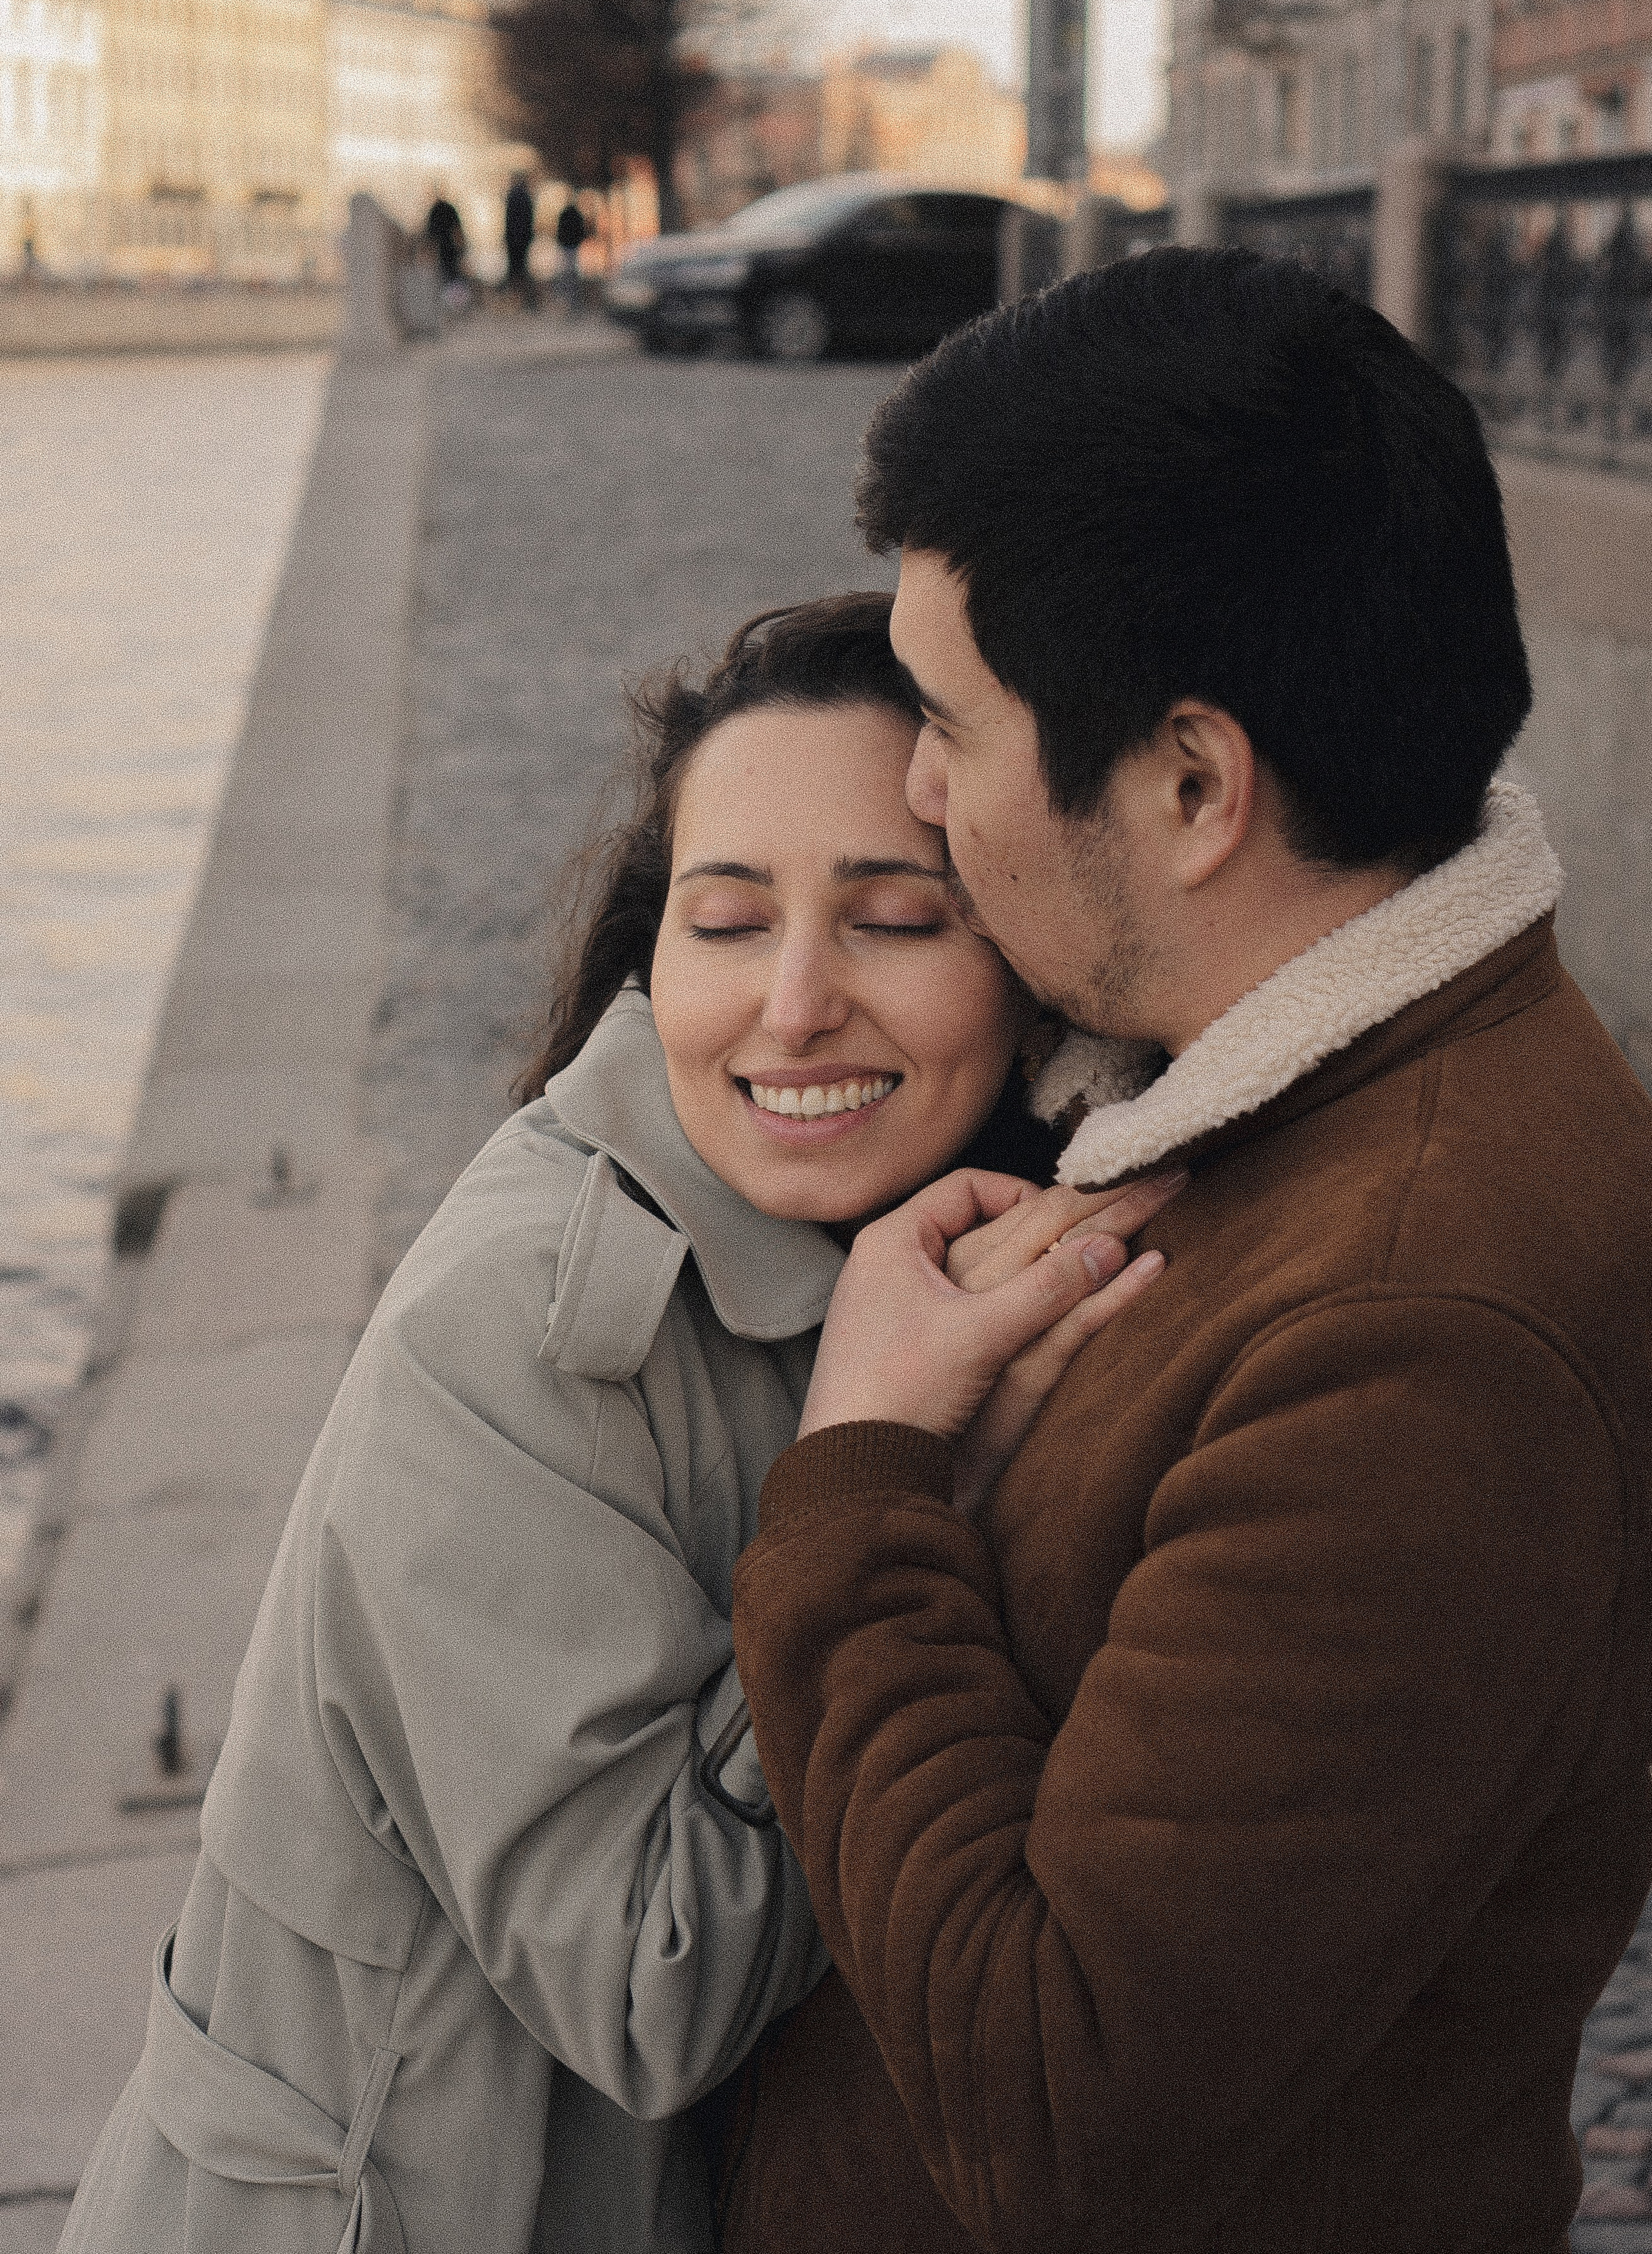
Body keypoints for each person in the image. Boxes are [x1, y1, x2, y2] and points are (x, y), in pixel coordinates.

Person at [725, 250, 1652, 2252]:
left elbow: (1059, 2113)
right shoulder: (1260, 1091)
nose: (912, 785)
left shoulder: (1418, 1335)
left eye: (952, 724)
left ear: (1191, 780)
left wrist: (857, 1477)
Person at [59, 594, 1169, 2254]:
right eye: (726, 923)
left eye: (890, 917)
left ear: (1029, 975)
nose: (792, 1004)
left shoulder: (965, 1238)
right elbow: (657, 1979)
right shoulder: (511, 1336)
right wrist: (878, 1475)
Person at [504, 173, 539, 311]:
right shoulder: (526, 196)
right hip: (523, 239)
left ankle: (518, 301)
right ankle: (527, 302)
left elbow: (510, 221)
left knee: (516, 271)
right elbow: (529, 221)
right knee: (522, 269)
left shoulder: (513, 196)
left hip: (514, 239)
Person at [424, 189, 466, 290]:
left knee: (450, 275)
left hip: (447, 248)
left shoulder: (441, 210)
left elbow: (431, 233)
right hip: (448, 248)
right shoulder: (445, 209)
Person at [554, 196, 589, 312]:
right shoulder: (577, 215)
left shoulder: (565, 214)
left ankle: (569, 299)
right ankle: (571, 300)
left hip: (567, 245)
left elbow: (560, 230)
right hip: (572, 246)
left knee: (568, 272)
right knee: (570, 272)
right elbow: (581, 231)